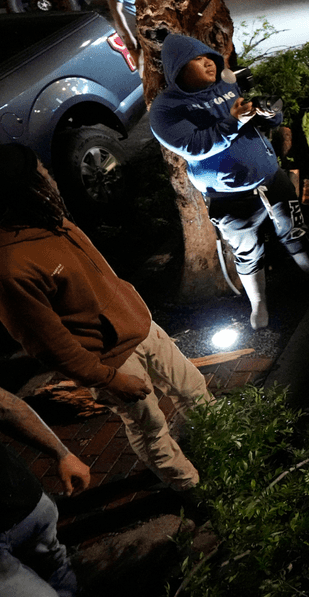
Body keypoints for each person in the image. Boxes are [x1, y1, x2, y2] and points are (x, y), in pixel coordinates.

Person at [0, 144, 213, 492]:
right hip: (111, 360)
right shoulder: (10, 267)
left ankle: (216, 447)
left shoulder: (50, 219)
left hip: (141, 327)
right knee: (150, 428)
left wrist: (133, 309)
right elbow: (48, 344)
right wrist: (107, 379)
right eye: (41, 171)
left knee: (193, 389)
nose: (49, 175)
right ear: (24, 188)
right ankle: (192, 489)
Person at [149, 34, 309, 330]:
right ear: (177, 70)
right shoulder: (166, 109)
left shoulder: (226, 84)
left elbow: (260, 120)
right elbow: (195, 146)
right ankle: (258, 303)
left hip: (270, 177)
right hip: (228, 195)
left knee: (294, 228)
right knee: (247, 251)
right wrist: (235, 121)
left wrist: (270, 112)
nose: (208, 64)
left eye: (207, 57)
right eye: (197, 61)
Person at [0, 386, 91, 597]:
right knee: (54, 565)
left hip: (25, 502)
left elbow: (5, 407)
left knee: (55, 564)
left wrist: (62, 454)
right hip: (24, 497)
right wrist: (62, 454)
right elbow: (5, 405)